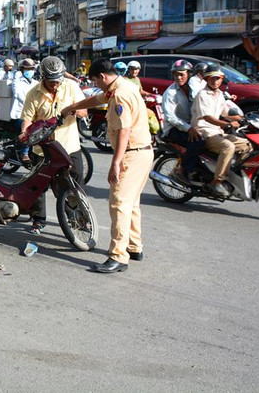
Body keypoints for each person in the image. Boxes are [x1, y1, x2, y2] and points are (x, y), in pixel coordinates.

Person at [61, 59, 152, 273]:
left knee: (119, 203)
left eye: (95, 80)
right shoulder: (121, 86)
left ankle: (119, 256)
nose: (96, 84)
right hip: (143, 152)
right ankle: (134, 246)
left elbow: (124, 131)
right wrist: (73, 107)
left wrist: (116, 163)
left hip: (132, 153)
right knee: (131, 203)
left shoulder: (120, 94)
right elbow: (96, 99)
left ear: (102, 76)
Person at [20, 56, 87, 234]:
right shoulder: (33, 93)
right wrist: (24, 133)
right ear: (43, 78)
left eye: (58, 81)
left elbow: (84, 111)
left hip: (69, 147)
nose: (55, 85)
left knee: (75, 185)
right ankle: (38, 220)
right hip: (42, 150)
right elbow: (27, 119)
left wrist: (73, 109)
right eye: (51, 82)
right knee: (37, 187)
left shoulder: (71, 87)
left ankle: (78, 218)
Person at [190, 65, 251, 197]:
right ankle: (217, 181)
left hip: (217, 131)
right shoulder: (202, 95)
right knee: (228, 147)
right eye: (212, 78)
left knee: (247, 145)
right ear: (206, 79)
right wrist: (227, 124)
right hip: (205, 131)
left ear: (222, 79)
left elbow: (226, 112)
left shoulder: (219, 95)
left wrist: (242, 118)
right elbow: (207, 117)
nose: (215, 81)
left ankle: (230, 170)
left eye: (218, 78)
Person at [160, 60, 205, 181]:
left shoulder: (197, 87)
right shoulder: (170, 93)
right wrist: (189, 128)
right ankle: (182, 170)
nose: (179, 78)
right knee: (198, 141)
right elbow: (171, 118)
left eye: (182, 74)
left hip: (192, 125)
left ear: (189, 74)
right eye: (176, 75)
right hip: (174, 129)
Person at [11, 58, 37, 163]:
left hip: (34, 114)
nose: (30, 71)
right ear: (22, 70)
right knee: (29, 129)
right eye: (27, 69)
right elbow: (18, 94)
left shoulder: (36, 83)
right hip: (19, 115)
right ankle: (25, 153)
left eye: (31, 69)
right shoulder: (17, 82)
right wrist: (31, 103)